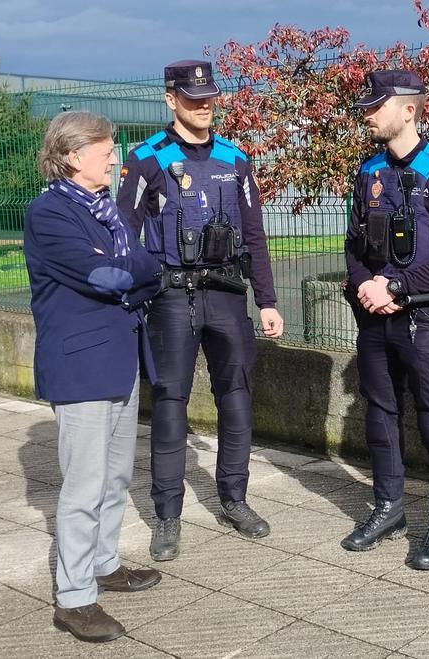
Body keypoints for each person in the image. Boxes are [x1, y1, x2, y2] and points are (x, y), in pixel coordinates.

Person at [117, 59, 284, 561]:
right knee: (170, 404)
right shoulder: (146, 158)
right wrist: (141, 288)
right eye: (192, 99)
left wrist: (268, 300)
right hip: (171, 299)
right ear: (171, 100)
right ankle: (167, 515)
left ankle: (235, 498)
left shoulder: (236, 159)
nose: (203, 106)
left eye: (209, 97)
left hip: (228, 295)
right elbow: (124, 233)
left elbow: (254, 235)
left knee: (236, 396)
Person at [24, 111, 165, 643]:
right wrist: (134, 276)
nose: (115, 158)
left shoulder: (106, 208)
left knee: (115, 478)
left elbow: (141, 266)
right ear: (71, 155)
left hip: (120, 361)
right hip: (81, 366)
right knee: (83, 486)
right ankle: (75, 598)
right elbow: (105, 275)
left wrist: (134, 275)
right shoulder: (49, 213)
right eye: (106, 150)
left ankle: (104, 564)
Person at [341, 70, 429, 570]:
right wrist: (366, 287)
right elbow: (354, 246)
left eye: (376, 107)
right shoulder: (368, 171)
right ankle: (388, 507)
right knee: (380, 414)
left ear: (409, 110)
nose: (367, 114)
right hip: (375, 317)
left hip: (426, 319)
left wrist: (397, 287)